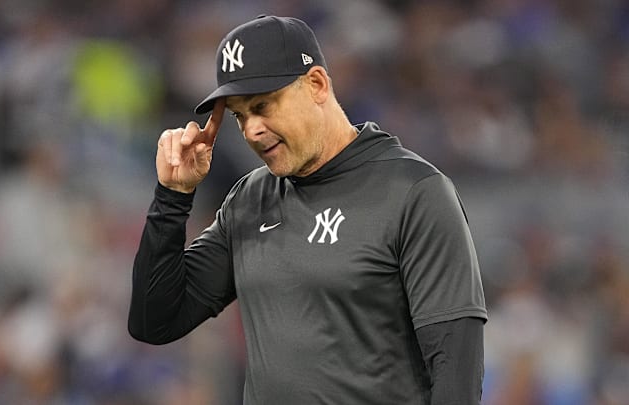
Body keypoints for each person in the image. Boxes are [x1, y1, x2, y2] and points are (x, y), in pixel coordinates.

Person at [128, 15, 488, 405]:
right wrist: (172, 197)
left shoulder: (414, 192)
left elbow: (456, 370)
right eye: (240, 115)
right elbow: (155, 321)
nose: (252, 130)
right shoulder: (250, 200)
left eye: (263, 105)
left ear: (316, 84)